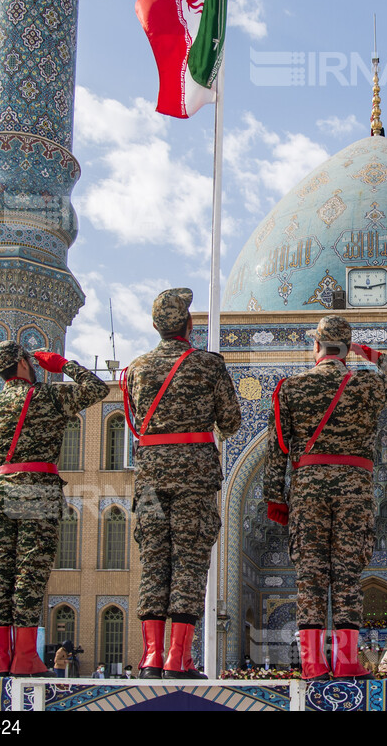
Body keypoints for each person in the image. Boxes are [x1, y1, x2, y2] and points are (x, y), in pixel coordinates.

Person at [266, 315, 387, 680]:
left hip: (308, 487)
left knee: (309, 575)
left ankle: (312, 664)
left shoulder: (292, 387)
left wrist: (275, 496)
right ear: (347, 349)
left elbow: (277, 448)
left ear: (316, 347)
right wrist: (370, 354)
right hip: (354, 487)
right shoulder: (367, 383)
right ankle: (347, 662)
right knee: (347, 574)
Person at [122, 288, 241, 680]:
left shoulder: (135, 369)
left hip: (151, 478)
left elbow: (136, 423)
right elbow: (231, 422)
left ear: (156, 326)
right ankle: (178, 658)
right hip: (194, 476)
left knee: (154, 561)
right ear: (189, 325)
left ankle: (150, 657)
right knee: (188, 562)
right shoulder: (207, 365)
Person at [0, 339, 110, 676]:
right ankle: (24, 657)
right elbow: (95, 389)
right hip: (38, 487)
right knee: (29, 575)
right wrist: (62, 365)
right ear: (23, 363)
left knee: (0, 576)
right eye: (30, 361)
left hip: (1, 493)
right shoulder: (47, 396)